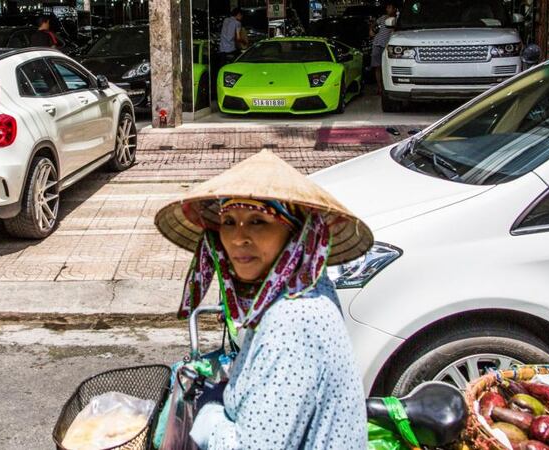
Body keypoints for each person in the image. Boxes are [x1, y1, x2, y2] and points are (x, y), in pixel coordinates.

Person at [154, 150, 373, 449]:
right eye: (229, 221)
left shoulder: (293, 319)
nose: (237, 239)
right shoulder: (304, 284)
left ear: (296, 233)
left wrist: (209, 414)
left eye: (258, 221)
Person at [370, 1, 398, 95]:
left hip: (387, 45)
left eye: (390, 7)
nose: (388, 9)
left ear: (394, 9)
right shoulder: (383, 17)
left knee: (385, 67)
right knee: (377, 67)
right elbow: (373, 24)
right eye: (387, 7)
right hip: (377, 43)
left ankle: (387, 87)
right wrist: (371, 31)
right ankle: (379, 88)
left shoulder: (397, 20)